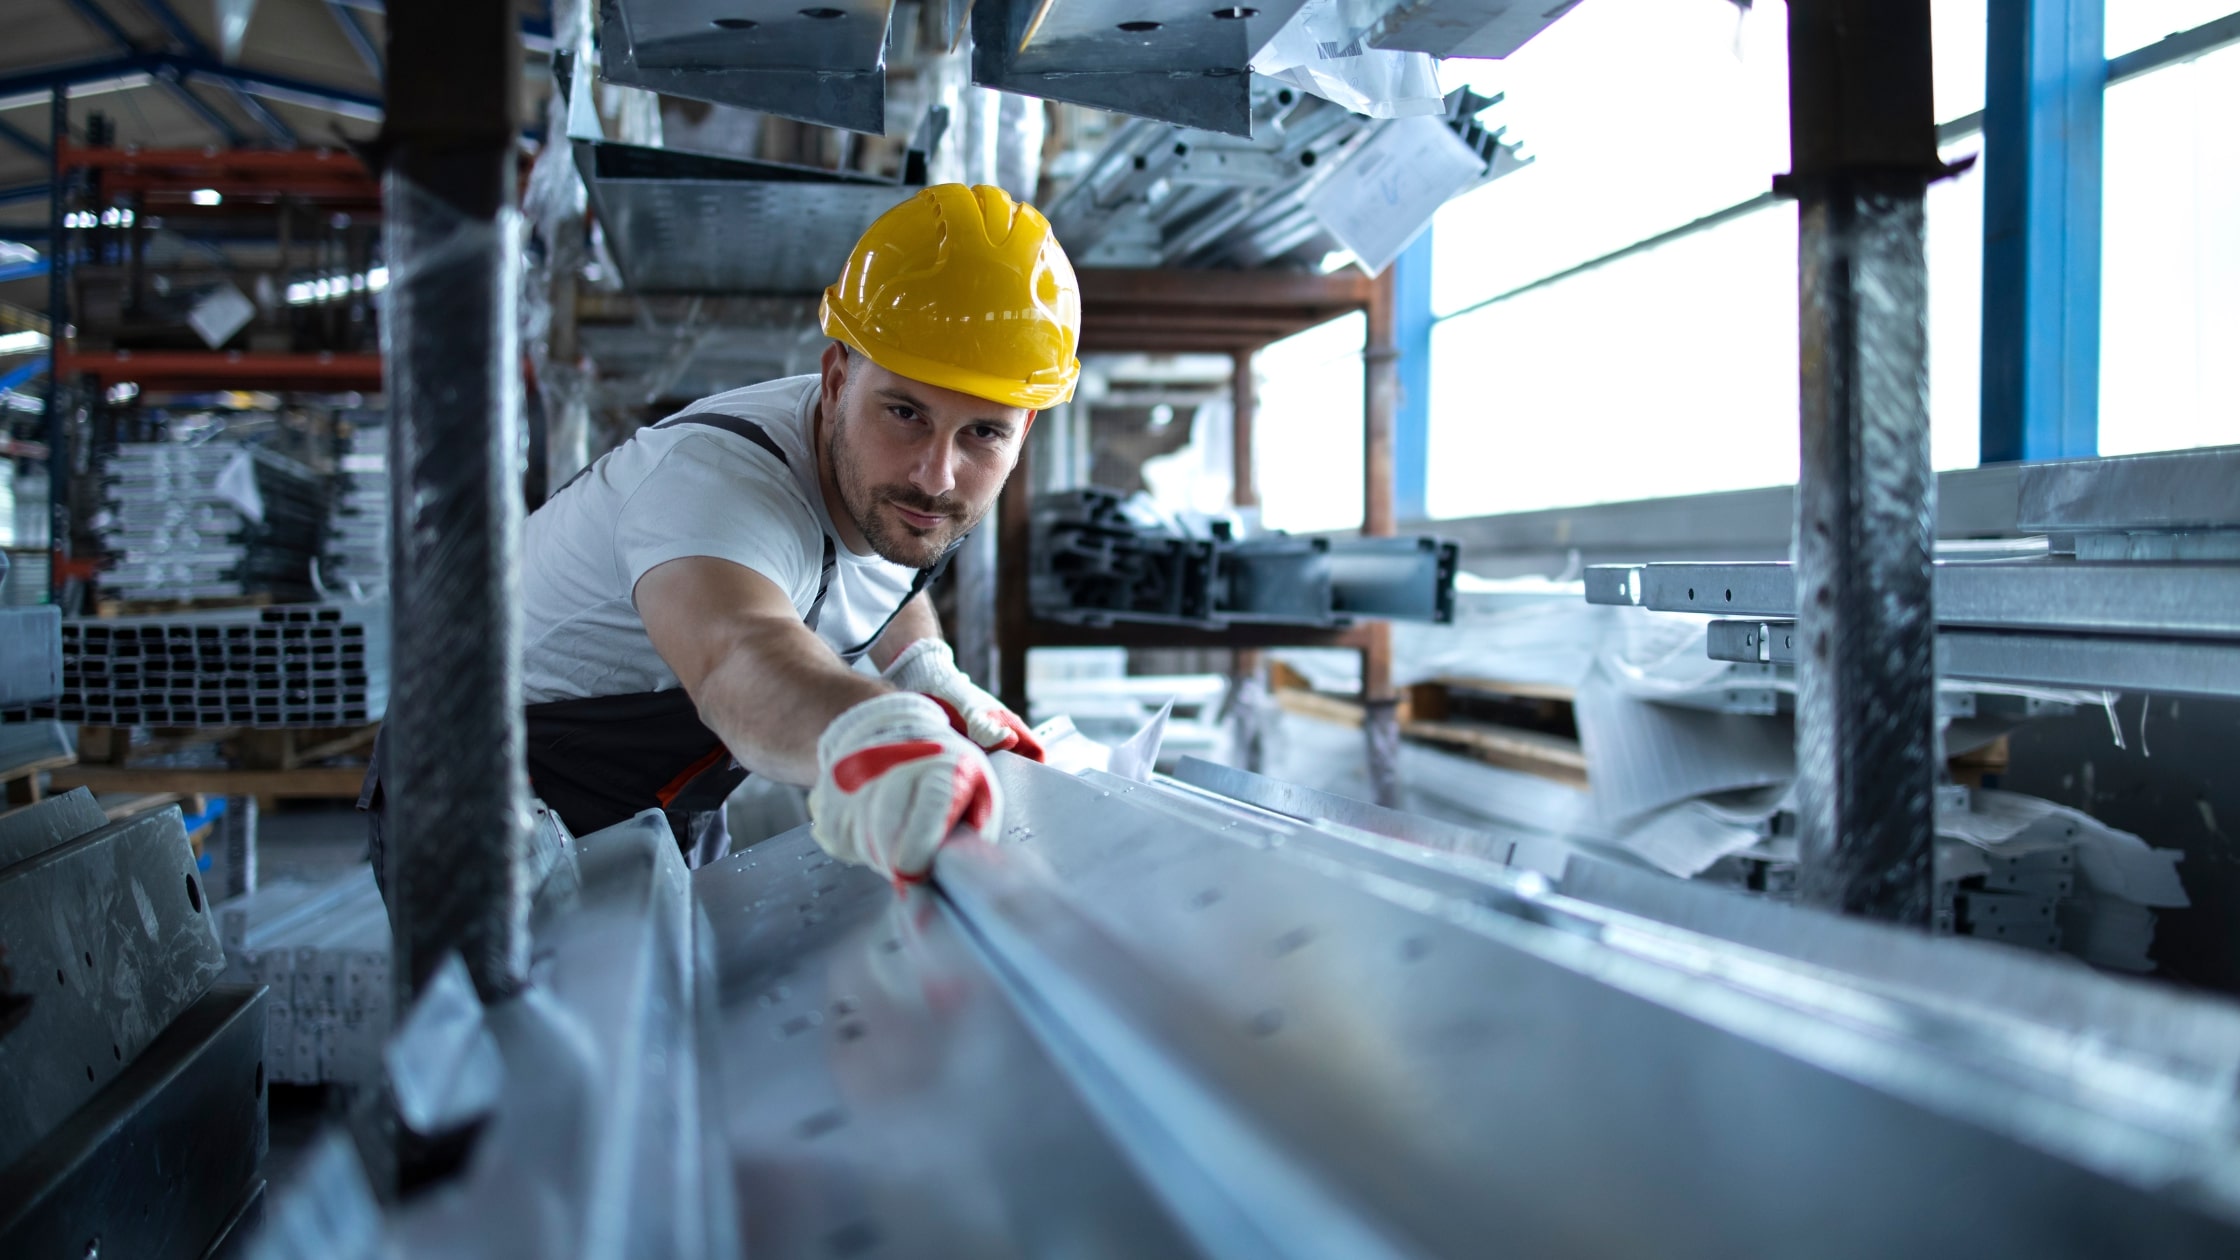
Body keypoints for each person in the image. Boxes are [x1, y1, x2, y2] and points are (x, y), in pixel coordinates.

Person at [363, 183, 1078, 882]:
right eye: (905, 413)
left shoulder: (890, 490)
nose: (936, 477)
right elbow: (738, 656)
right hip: (489, 795)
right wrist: (877, 729)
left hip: (667, 791)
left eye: (984, 432)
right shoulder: (712, 489)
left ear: (1025, 432)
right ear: (836, 381)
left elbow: (884, 574)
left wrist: (925, 669)